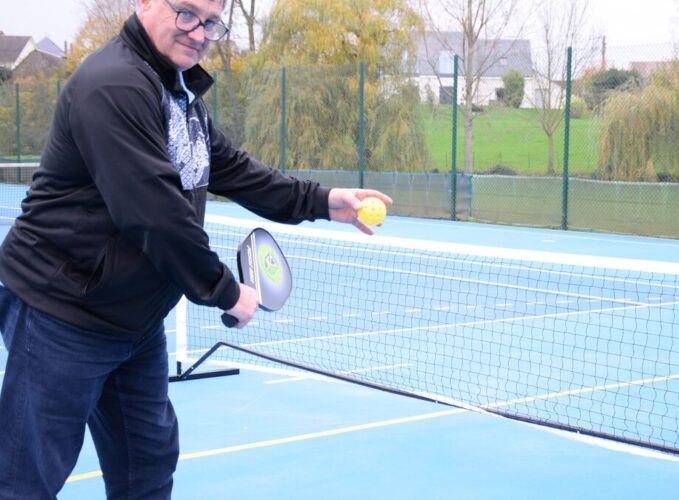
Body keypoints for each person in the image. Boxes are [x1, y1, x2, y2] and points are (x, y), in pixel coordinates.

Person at [0, 0, 392, 498]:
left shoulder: (178, 92)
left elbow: (232, 168)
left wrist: (323, 200)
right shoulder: (114, 86)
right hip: (61, 314)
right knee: (25, 478)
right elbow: (155, 215)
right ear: (146, 3)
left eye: (211, 22)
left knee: (147, 467)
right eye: (186, 13)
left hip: (134, 323)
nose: (199, 32)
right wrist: (227, 292)